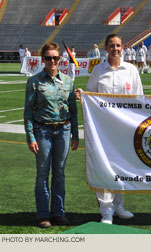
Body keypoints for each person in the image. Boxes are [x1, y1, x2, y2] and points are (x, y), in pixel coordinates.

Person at [77, 34, 143, 224]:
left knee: (121, 167)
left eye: (118, 45)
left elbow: (139, 98)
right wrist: (83, 95)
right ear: (106, 48)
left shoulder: (131, 70)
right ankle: (106, 211)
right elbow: (91, 96)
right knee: (104, 168)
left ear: (123, 48)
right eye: (112, 45)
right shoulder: (98, 70)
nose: (115, 48)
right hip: (103, 129)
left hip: (125, 129)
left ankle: (119, 205)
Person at [24, 41, 79, 228]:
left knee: (59, 174)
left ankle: (58, 213)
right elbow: (28, 112)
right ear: (43, 59)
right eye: (48, 58)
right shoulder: (34, 81)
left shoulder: (68, 81)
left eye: (55, 57)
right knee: (42, 175)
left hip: (63, 131)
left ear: (60, 59)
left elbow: (73, 110)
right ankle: (43, 215)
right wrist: (30, 137)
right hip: (43, 131)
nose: (52, 61)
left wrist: (75, 135)